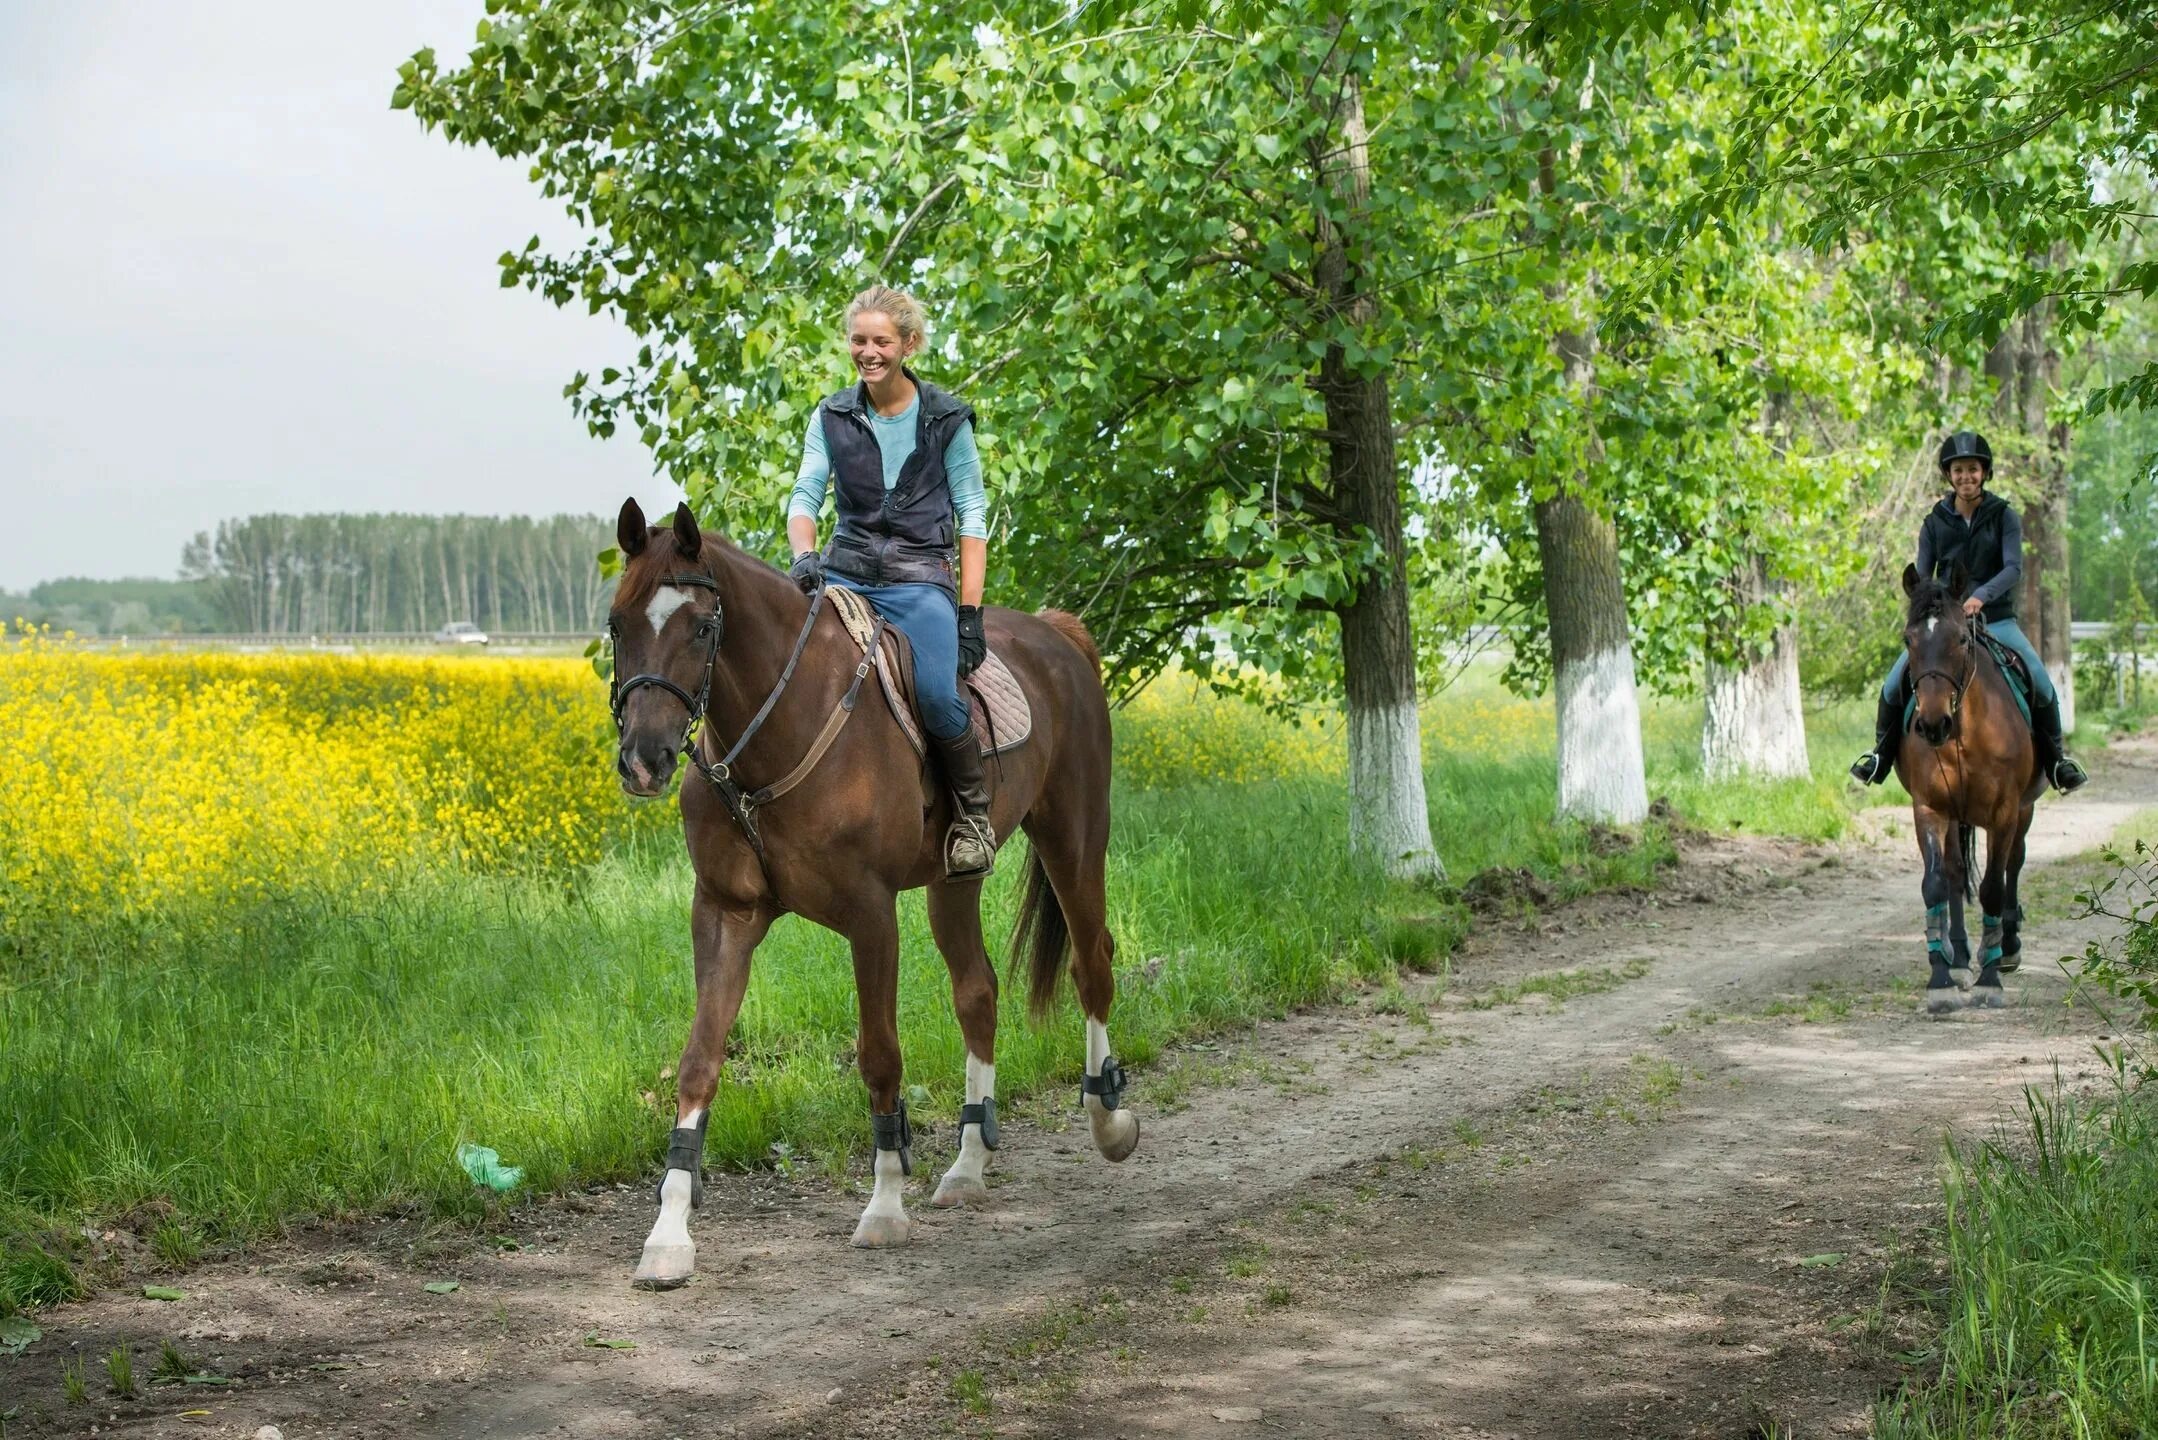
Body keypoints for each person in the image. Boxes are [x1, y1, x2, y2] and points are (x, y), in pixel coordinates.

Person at [784, 285, 999, 877]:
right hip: (842, 574)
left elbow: (972, 515)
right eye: (859, 340)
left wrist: (970, 612)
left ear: (909, 343)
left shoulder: (948, 420)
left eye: (881, 341)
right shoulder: (830, 415)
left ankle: (974, 816)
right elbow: (805, 494)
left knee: (935, 691)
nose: (869, 352)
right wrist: (805, 557)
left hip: (918, 582)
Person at [1850, 430, 2087, 793]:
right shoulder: (1934, 522)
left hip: (1997, 619)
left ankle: (2057, 763)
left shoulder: (2003, 516)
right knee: (1893, 682)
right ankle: (1880, 756)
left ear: (1984, 472)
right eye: (1958, 470)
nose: (1966, 476)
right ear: (1949, 475)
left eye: (1973, 469)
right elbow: (1924, 575)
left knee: (2039, 679)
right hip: (1947, 624)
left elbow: (2013, 568)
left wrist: (1980, 596)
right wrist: (1933, 605)